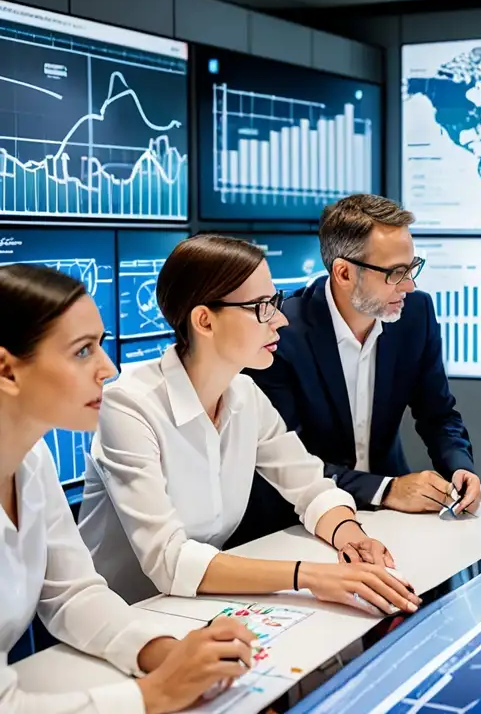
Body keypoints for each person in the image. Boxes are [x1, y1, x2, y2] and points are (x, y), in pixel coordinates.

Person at [78, 234, 421, 617]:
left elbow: (310, 488)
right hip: (120, 617)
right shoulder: (130, 405)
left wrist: (352, 537)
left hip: (196, 608)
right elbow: (169, 560)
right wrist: (310, 576)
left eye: (275, 302)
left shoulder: (244, 394)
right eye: (262, 307)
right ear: (205, 320)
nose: (281, 319)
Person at [0, 262, 257, 713]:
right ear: (6, 369)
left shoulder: (31, 460)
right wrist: (151, 696)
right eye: (82, 352)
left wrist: (164, 651)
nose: (108, 368)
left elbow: (72, 592)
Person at [246, 193, 481, 520]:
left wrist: (459, 466)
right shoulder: (281, 334)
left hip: (393, 515)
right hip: (301, 519)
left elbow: (438, 414)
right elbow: (288, 461)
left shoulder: (416, 313)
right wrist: (386, 489)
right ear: (343, 273)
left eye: (412, 268)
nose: (409, 286)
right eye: (396, 273)